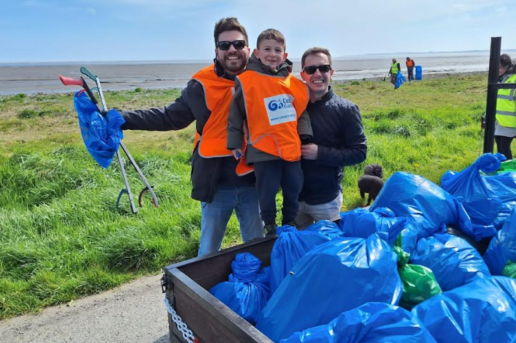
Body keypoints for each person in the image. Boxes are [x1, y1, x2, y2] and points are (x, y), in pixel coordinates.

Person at [119, 17, 263, 257]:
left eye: (238, 44)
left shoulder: (265, 80)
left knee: (258, 248)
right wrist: (122, 118)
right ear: (216, 51)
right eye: (224, 45)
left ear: (248, 49)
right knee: (208, 253)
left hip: (254, 183)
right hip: (216, 184)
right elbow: (169, 117)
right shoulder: (200, 85)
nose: (232, 50)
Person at [227, 29, 312, 236]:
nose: (272, 54)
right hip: (262, 148)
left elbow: (301, 112)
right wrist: (235, 142)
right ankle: (270, 224)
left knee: (294, 185)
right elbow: (236, 114)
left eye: (277, 50)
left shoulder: (293, 83)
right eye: (267, 49)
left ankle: (290, 220)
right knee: (267, 190)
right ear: (257, 53)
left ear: (285, 55)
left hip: (290, 145)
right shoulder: (247, 80)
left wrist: (305, 135)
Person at [295, 47, 367, 228]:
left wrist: (320, 153)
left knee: (329, 243)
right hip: (294, 197)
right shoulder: (292, 106)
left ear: (331, 72)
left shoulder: (346, 109)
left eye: (323, 68)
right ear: (303, 75)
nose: (317, 74)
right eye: (311, 69)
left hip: (326, 200)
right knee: (298, 243)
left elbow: (359, 152)